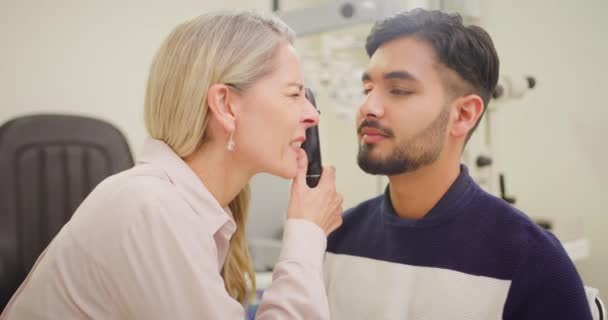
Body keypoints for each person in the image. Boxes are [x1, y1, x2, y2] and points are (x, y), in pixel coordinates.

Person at [1, 11, 343, 319]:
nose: (312, 114)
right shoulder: (152, 207)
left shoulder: (186, 209)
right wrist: (305, 235)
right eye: (294, 94)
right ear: (225, 104)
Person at [324, 9, 592, 320]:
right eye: (367, 89)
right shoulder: (334, 240)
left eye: (398, 90)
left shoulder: (532, 261)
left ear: (463, 115)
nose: (368, 106)